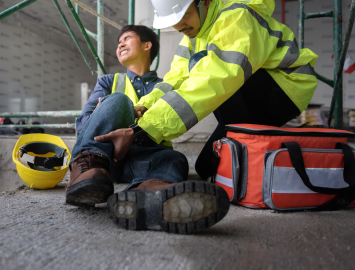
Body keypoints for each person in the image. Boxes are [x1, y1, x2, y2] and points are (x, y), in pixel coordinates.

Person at [99, 0, 319, 181]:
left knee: (201, 64)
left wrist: (145, 130)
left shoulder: (237, 16)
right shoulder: (193, 36)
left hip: (283, 90)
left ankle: (262, 142)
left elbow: (216, 79)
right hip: (248, 96)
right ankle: (259, 144)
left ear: (204, 2)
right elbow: (175, 80)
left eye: (183, 15)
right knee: (206, 168)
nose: (179, 25)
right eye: (173, 21)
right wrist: (144, 106)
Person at [66, 25, 231, 234]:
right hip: (105, 158)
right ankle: (86, 171)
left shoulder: (166, 86)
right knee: (119, 101)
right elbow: (83, 125)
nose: (120, 44)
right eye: (118, 42)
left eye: (126, 38)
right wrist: (114, 112)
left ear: (147, 45)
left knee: (174, 158)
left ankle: (147, 193)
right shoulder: (109, 81)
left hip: (143, 160)